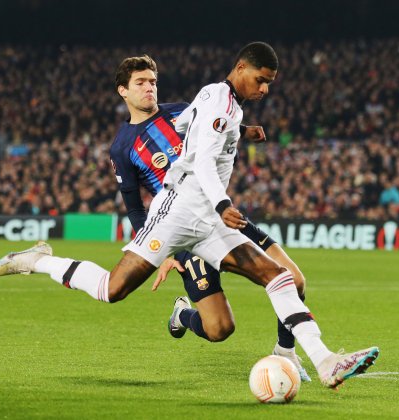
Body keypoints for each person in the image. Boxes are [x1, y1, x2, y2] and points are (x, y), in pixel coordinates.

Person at [0, 42, 379, 389]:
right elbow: (202, 163)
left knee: (278, 277)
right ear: (242, 68)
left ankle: (325, 361)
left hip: (207, 220)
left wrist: (240, 133)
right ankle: (40, 261)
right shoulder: (161, 126)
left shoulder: (213, 99)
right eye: (261, 81)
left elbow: (183, 126)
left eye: (153, 81)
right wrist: (222, 205)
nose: (265, 90)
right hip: (176, 213)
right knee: (114, 289)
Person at [108, 54, 311, 381]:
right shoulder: (122, 147)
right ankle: (183, 314)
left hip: (222, 219)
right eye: (140, 83)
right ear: (123, 91)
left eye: (153, 81)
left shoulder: (180, 110)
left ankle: (286, 353)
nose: (149, 88)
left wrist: (245, 131)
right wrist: (160, 253)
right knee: (219, 329)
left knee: (294, 279)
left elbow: (217, 129)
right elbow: (134, 207)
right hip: (183, 231)